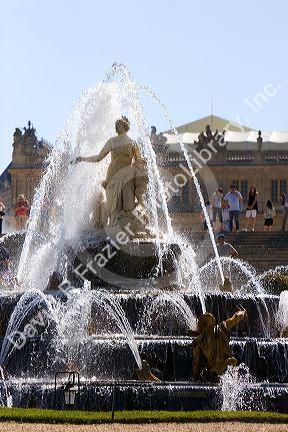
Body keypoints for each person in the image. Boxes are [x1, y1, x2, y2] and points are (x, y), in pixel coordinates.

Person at [76, 116, 148, 228]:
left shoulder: (133, 143)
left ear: (125, 126)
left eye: (118, 124)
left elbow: (139, 160)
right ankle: (102, 220)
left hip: (127, 178)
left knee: (128, 207)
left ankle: (129, 225)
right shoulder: (112, 141)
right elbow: (98, 158)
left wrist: (141, 166)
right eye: (116, 125)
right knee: (113, 208)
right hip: (113, 176)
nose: (116, 126)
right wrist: (83, 158)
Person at [192, 309, 247, 381]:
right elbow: (236, 317)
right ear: (213, 322)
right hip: (228, 367)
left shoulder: (198, 341)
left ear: (201, 325)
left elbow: (196, 364)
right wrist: (242, 312)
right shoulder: (222, 328)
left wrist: (196, 378)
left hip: (213, 372)